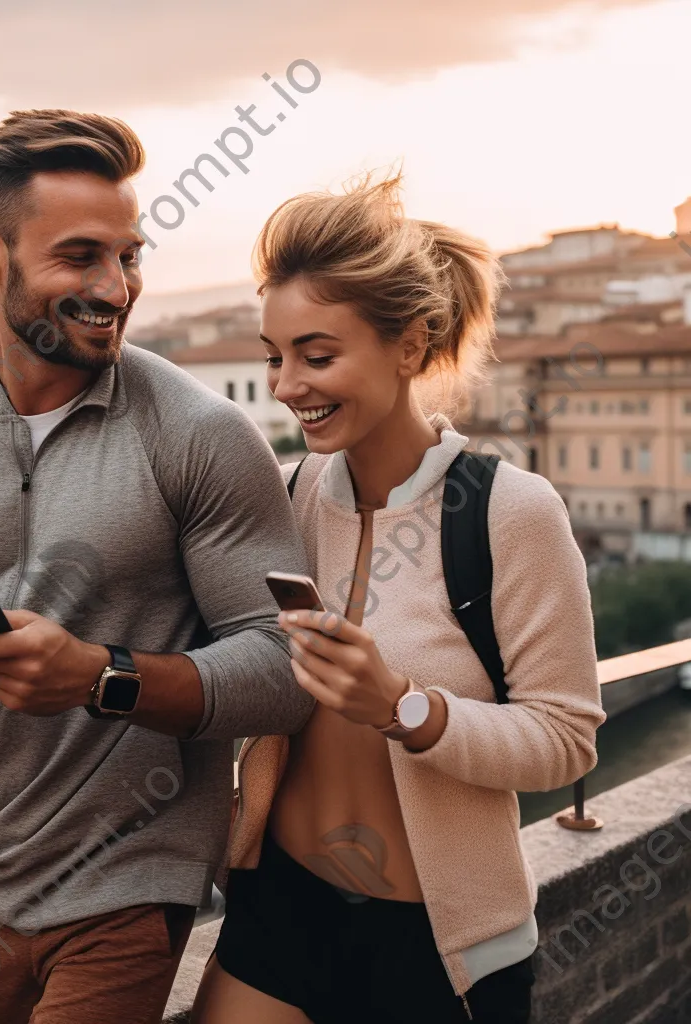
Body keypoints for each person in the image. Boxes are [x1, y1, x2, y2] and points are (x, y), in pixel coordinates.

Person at [0, 109, 315, 1024]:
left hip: (129, 880)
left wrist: (104, 678)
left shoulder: (201, 436)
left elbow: (284, 668)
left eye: (129, 255)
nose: (116, 286)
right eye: (80, 257)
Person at [192, 173, 606, 1024]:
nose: (286, 384)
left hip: (435, 946)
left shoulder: (511, 512)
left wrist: (406, 709)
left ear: (411, 347)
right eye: (274, 357)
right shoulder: (289, 494)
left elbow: (566, 741)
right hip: (278, 909)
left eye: (316, 354)